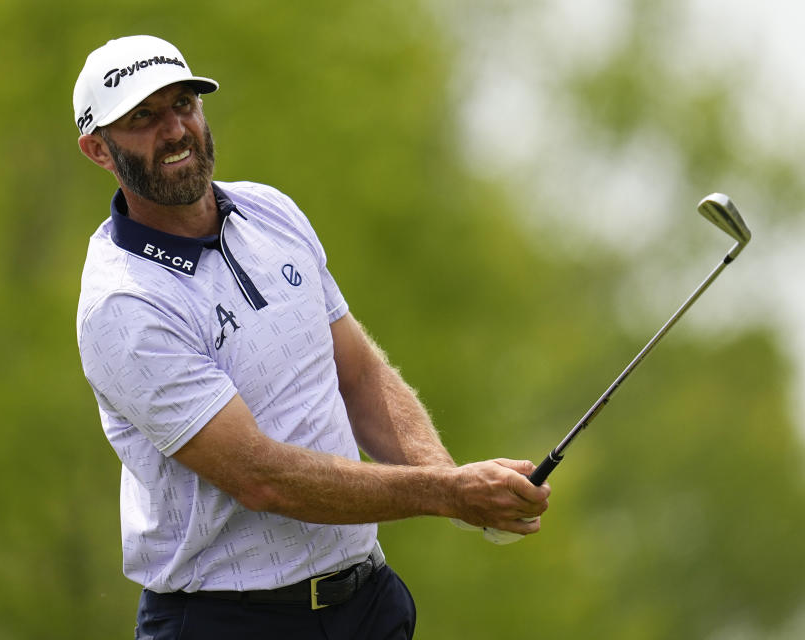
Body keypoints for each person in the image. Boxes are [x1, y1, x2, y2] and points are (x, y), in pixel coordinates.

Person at [73, 35, 550, 639]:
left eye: (183, 106)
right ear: (98, 150)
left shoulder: (269, 212)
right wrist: (447, 493)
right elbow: (260, 476)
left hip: (366, 603)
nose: (174, 131)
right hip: (227, 622)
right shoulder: (125, 303)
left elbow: (357, 373)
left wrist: (454, 486)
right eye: (143, 117)